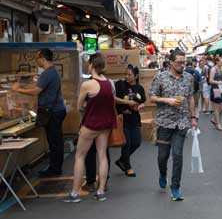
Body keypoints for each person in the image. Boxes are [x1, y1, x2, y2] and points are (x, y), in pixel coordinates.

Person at [64, 53, 116, 203]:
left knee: (80, 156)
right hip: (106, 124)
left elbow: (79, 105)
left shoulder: (87, 85)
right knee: (102, 155)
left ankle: (75, 193)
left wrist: (87, 105)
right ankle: (101, 192)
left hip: (91, 125)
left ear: (92, 65)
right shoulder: (109, 83)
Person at [149, 49, 197, 201]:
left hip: (182, 122)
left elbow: (190, 98)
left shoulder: (189, 78)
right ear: (170, 62)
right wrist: (167, 100)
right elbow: (151, 98)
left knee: (178, 155)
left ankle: (175, 187)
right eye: (179, 62)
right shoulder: (160, 78)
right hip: (164, 122)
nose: (182, 65)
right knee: (163, 156)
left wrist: (194, 117)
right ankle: (163, 173)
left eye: (184, 62)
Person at [13, 49, 66, 177]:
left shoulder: (47, 73)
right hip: (56, 110)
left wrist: (18, 89)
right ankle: (56, 167)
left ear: (42, 58)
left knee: (54, 141)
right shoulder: (52, 72)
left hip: (52, 111)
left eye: (36, 58)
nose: (36, 61)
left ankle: (55, 169)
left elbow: (36, 91)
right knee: (56, 141)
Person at [114, 64, 146, 177]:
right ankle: (128, 167)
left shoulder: (139, 88)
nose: (127, 77)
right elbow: (113, 99)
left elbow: (143, 101)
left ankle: (122, 160)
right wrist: (127, 103)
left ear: (136, 76)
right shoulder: (120, 85)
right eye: (126, 74)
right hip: (123, 119)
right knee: (126, 144)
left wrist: (140, 106)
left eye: (129, 75)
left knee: (136, 142)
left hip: (135, 118)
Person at [209, 56, 222, 130]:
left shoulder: (220, 69)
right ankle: (218, 123)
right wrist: (218, 82)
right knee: (216, 107)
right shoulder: (213, 69)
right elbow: (210, 80)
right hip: (216, 90)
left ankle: (214, 118)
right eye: (221, 62)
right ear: (217, 62)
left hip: (220, 89)